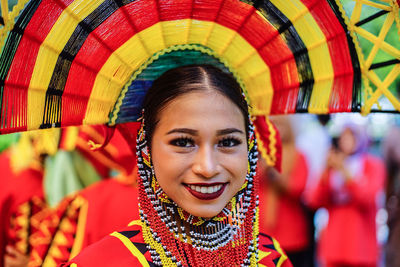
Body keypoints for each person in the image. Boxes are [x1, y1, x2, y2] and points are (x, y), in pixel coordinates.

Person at [62, 65, 292, 266]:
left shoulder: (269, 258)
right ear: (146, 150)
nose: (208, 167)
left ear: (250, 147)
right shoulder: (104, 263)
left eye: (228, 142)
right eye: (183, 142)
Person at [308, 123, 385, 267]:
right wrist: (325, 171)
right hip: (334, 247)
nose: (346, 140)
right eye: (343, 136)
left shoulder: (373, 165)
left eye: (352, 135)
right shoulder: (331, 167)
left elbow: (366, 197)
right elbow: (313, 200)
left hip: (362, 247)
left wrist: (344, 171)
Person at [257, 116, 311, 267]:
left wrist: (275, 175)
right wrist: (263, 167)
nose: (278, 129)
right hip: (261, 228)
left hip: (290, 232)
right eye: (274, 125)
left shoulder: (299, 156)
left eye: (282, 125)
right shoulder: (259, 154)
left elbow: (298, 188)